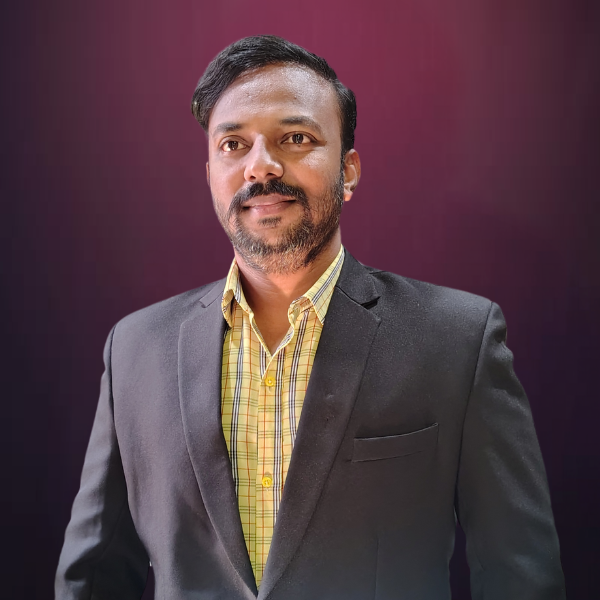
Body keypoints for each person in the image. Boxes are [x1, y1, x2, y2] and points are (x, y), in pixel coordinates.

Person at [55, 35, 565, 600]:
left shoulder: (458, 341)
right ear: (210, 172)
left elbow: (522, 576)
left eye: (295, 138)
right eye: (233, 144)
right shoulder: (134, 350)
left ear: (349, 171)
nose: (260, 166)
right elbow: (93, 580)